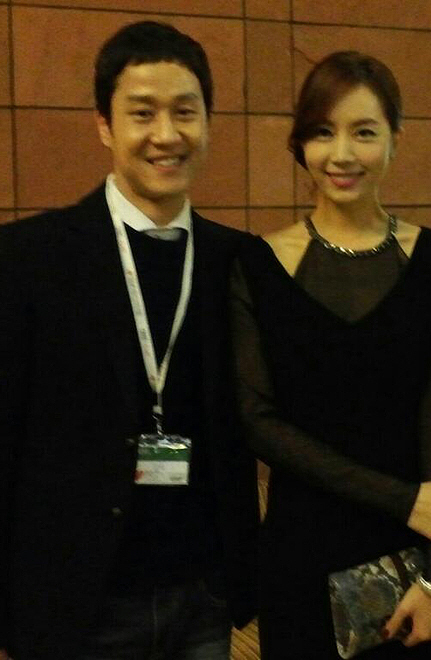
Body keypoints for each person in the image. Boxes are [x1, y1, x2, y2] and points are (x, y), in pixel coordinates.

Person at [0, 20, 259, 660]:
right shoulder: (29, 259)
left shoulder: (240, 262)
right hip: (75, 602)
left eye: (185, 112)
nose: (166, 135)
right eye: (142, 113)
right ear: (104, 125)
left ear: (208, 123)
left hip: (203, 596)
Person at [230, 50, 431, 659]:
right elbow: (257, 422)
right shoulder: (255, 265)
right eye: (323, 132)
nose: (342, 154)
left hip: (420, 564)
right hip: (302, 555)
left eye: (364, 132)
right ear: (300, 143)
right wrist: (404, 499)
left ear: (396, 139)